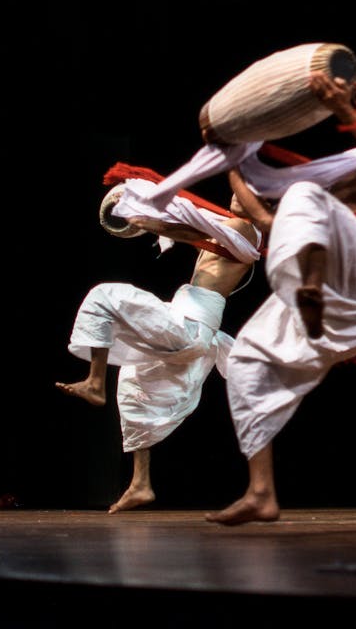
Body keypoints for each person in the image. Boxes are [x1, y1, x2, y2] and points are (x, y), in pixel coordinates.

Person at [205, 71, 356, 525]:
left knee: (304, 194)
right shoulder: (342, 177)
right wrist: (229, 163)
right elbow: (268, 223)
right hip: (330, 297)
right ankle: (261, 491)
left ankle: (308, 286)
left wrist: (346, 110)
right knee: (245, 359)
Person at [59, 197, 259, 514]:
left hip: (191, 328)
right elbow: (197, 236)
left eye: (244, 189)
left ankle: (95, 382)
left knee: (104, 295)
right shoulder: (228, 232)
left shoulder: (244, 229)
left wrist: (150, 221)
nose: (234, 193)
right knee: (135, 383)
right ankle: (140, 484)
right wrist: (154, 218)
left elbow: (189, 231)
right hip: (188, 327)